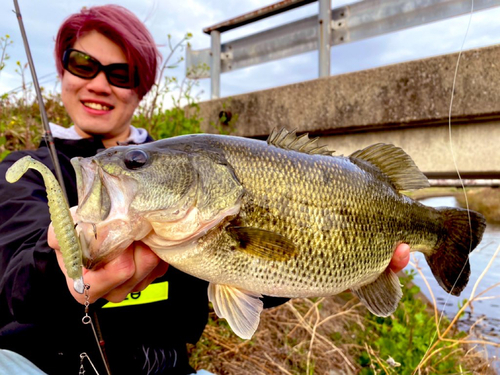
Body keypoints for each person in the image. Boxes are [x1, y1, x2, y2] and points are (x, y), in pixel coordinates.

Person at [0, 4, 411, 375]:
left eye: (120, 74)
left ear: (141, 88)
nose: (99, 84)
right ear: (63, 71)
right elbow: (12, 279)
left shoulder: (188, 166)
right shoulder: (28, 175)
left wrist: (309, 260)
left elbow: (252, 275)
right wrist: (57, 264)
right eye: (83, 64)